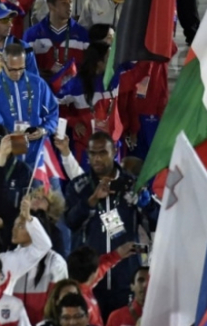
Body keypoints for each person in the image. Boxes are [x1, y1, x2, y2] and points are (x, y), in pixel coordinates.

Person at [64, 132, 157, 317]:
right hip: (89, 278)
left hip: (125, 276)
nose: (97, 158)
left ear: (114, 151)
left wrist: (147, 204)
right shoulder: (78, 187)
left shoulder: (133, 184)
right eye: (92, 153)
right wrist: (91, 201)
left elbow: (156, 223)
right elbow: (71, 222)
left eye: (102, 152)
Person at [0, 44, 59, 161]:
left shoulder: (38, 84)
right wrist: (8, 137)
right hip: (9, 156)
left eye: (21, 68)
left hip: (37, 154)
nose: (17, 73)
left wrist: (44, 130)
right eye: (13, 69)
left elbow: (53, 113)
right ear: (3, 63)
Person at [23, 0, 90, 89]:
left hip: (73, 94)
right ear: (51, 6)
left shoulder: (82, 35)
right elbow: (25, 68)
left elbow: (89, 70)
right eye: (64, 3)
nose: (69, 6)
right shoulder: (32, 35)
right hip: (42, 91)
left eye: (70, 2)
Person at [0, 4, 39, 75]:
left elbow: (34, 79)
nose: (10, 24)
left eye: (10, 19)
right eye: (4, 20)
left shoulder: (24, 49)